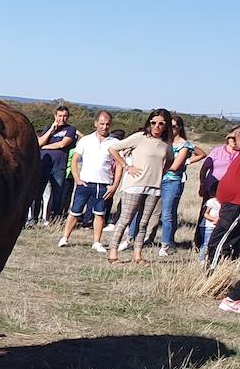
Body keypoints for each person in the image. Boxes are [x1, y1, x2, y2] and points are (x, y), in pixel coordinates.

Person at [107, 109, 173, 265]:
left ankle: (138, 255)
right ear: (149, 123)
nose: (157, 126)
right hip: (135, 184)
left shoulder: (166, 144)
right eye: (153, 122)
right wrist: (125, 166)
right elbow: (113, 148)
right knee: (125, 219)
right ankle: (113, 253)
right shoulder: (139, 137)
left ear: (166, 126)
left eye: (161, 123)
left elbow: (170, 159)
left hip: (154, 187)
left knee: (144, 222)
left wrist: (162, 172)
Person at [59, 111, 120, 252]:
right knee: (75, 212)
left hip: (104, 184)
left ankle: (97, 242)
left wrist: (115, 186)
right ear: (96, 124)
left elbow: (119, 165)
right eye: (102, 124)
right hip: (85, 183)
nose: (104, 127)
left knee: (100, 214)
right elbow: (74, 160)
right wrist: (77, 178)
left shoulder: (115, 143)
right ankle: (65, 238)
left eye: (107, 124)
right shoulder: (85, 140)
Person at [31, 105, 77, 225]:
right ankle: (34, 218)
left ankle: (55, 219)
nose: (62, 119)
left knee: (58, 194)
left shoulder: (70, 129)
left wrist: (45, 147)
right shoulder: (48, 128)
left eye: (65, 116)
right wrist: (51, 129)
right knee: (37, 193)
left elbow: (62, 144)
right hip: (44, 164)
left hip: (59, 166)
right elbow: (40, 142)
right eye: (60, 116)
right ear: (55, 116)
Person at [196, 128, 239, 253]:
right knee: (208, 213)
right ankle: (202, 243)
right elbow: (205, 167)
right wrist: (202, 183)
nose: (234, 139)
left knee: (225, 223)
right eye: (233, 136)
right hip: (213, 188)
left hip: (232, 198)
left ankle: (219, 249)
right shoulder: (217, 151)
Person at [157, 115, 195, 256]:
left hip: (172, 180)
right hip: (158, 178)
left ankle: (166, 244)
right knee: (158, 212)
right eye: (168, 126)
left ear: (179, 127)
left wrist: (187, 162)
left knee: (167, 214)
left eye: (173, 126)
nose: (170, 129)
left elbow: (174, 166)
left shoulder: (184, 145)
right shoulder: (163, 141)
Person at [204, 143, 240, 270]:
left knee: (220, 240)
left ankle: (212, 273)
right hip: (230, 204)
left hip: (236, 205)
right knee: (225, 239)